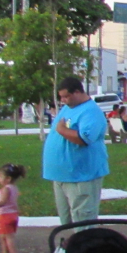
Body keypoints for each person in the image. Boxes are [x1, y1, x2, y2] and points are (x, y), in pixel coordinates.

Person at [42, 76, 110, 225]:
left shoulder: (91, 112)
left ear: (78, 92)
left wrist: (61, 130)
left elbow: (83, 139)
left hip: (80, 176)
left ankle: (85, 247)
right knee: (66, 221)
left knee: (82, 219)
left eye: (66, 96)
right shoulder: (68, 108)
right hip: (61, 175)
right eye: (61, 97)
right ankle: (69, 246)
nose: (63, 100)